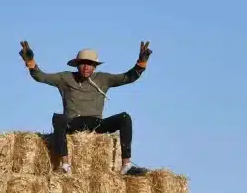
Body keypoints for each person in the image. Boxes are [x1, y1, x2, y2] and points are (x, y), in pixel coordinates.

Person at [19, 40, 151, 173]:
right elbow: (41, 76)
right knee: (58, 118)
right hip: (73, 122)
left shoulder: (104, 79)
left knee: (124, 118)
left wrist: (141, 62)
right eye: (83, 63)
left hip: (97, 123)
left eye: (90, 64)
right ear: (77, 65)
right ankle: (65, 166)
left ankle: (126, 166)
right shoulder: (65, 77)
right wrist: (30, 61)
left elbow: (128, 77)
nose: (86, 67)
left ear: (95, 66)